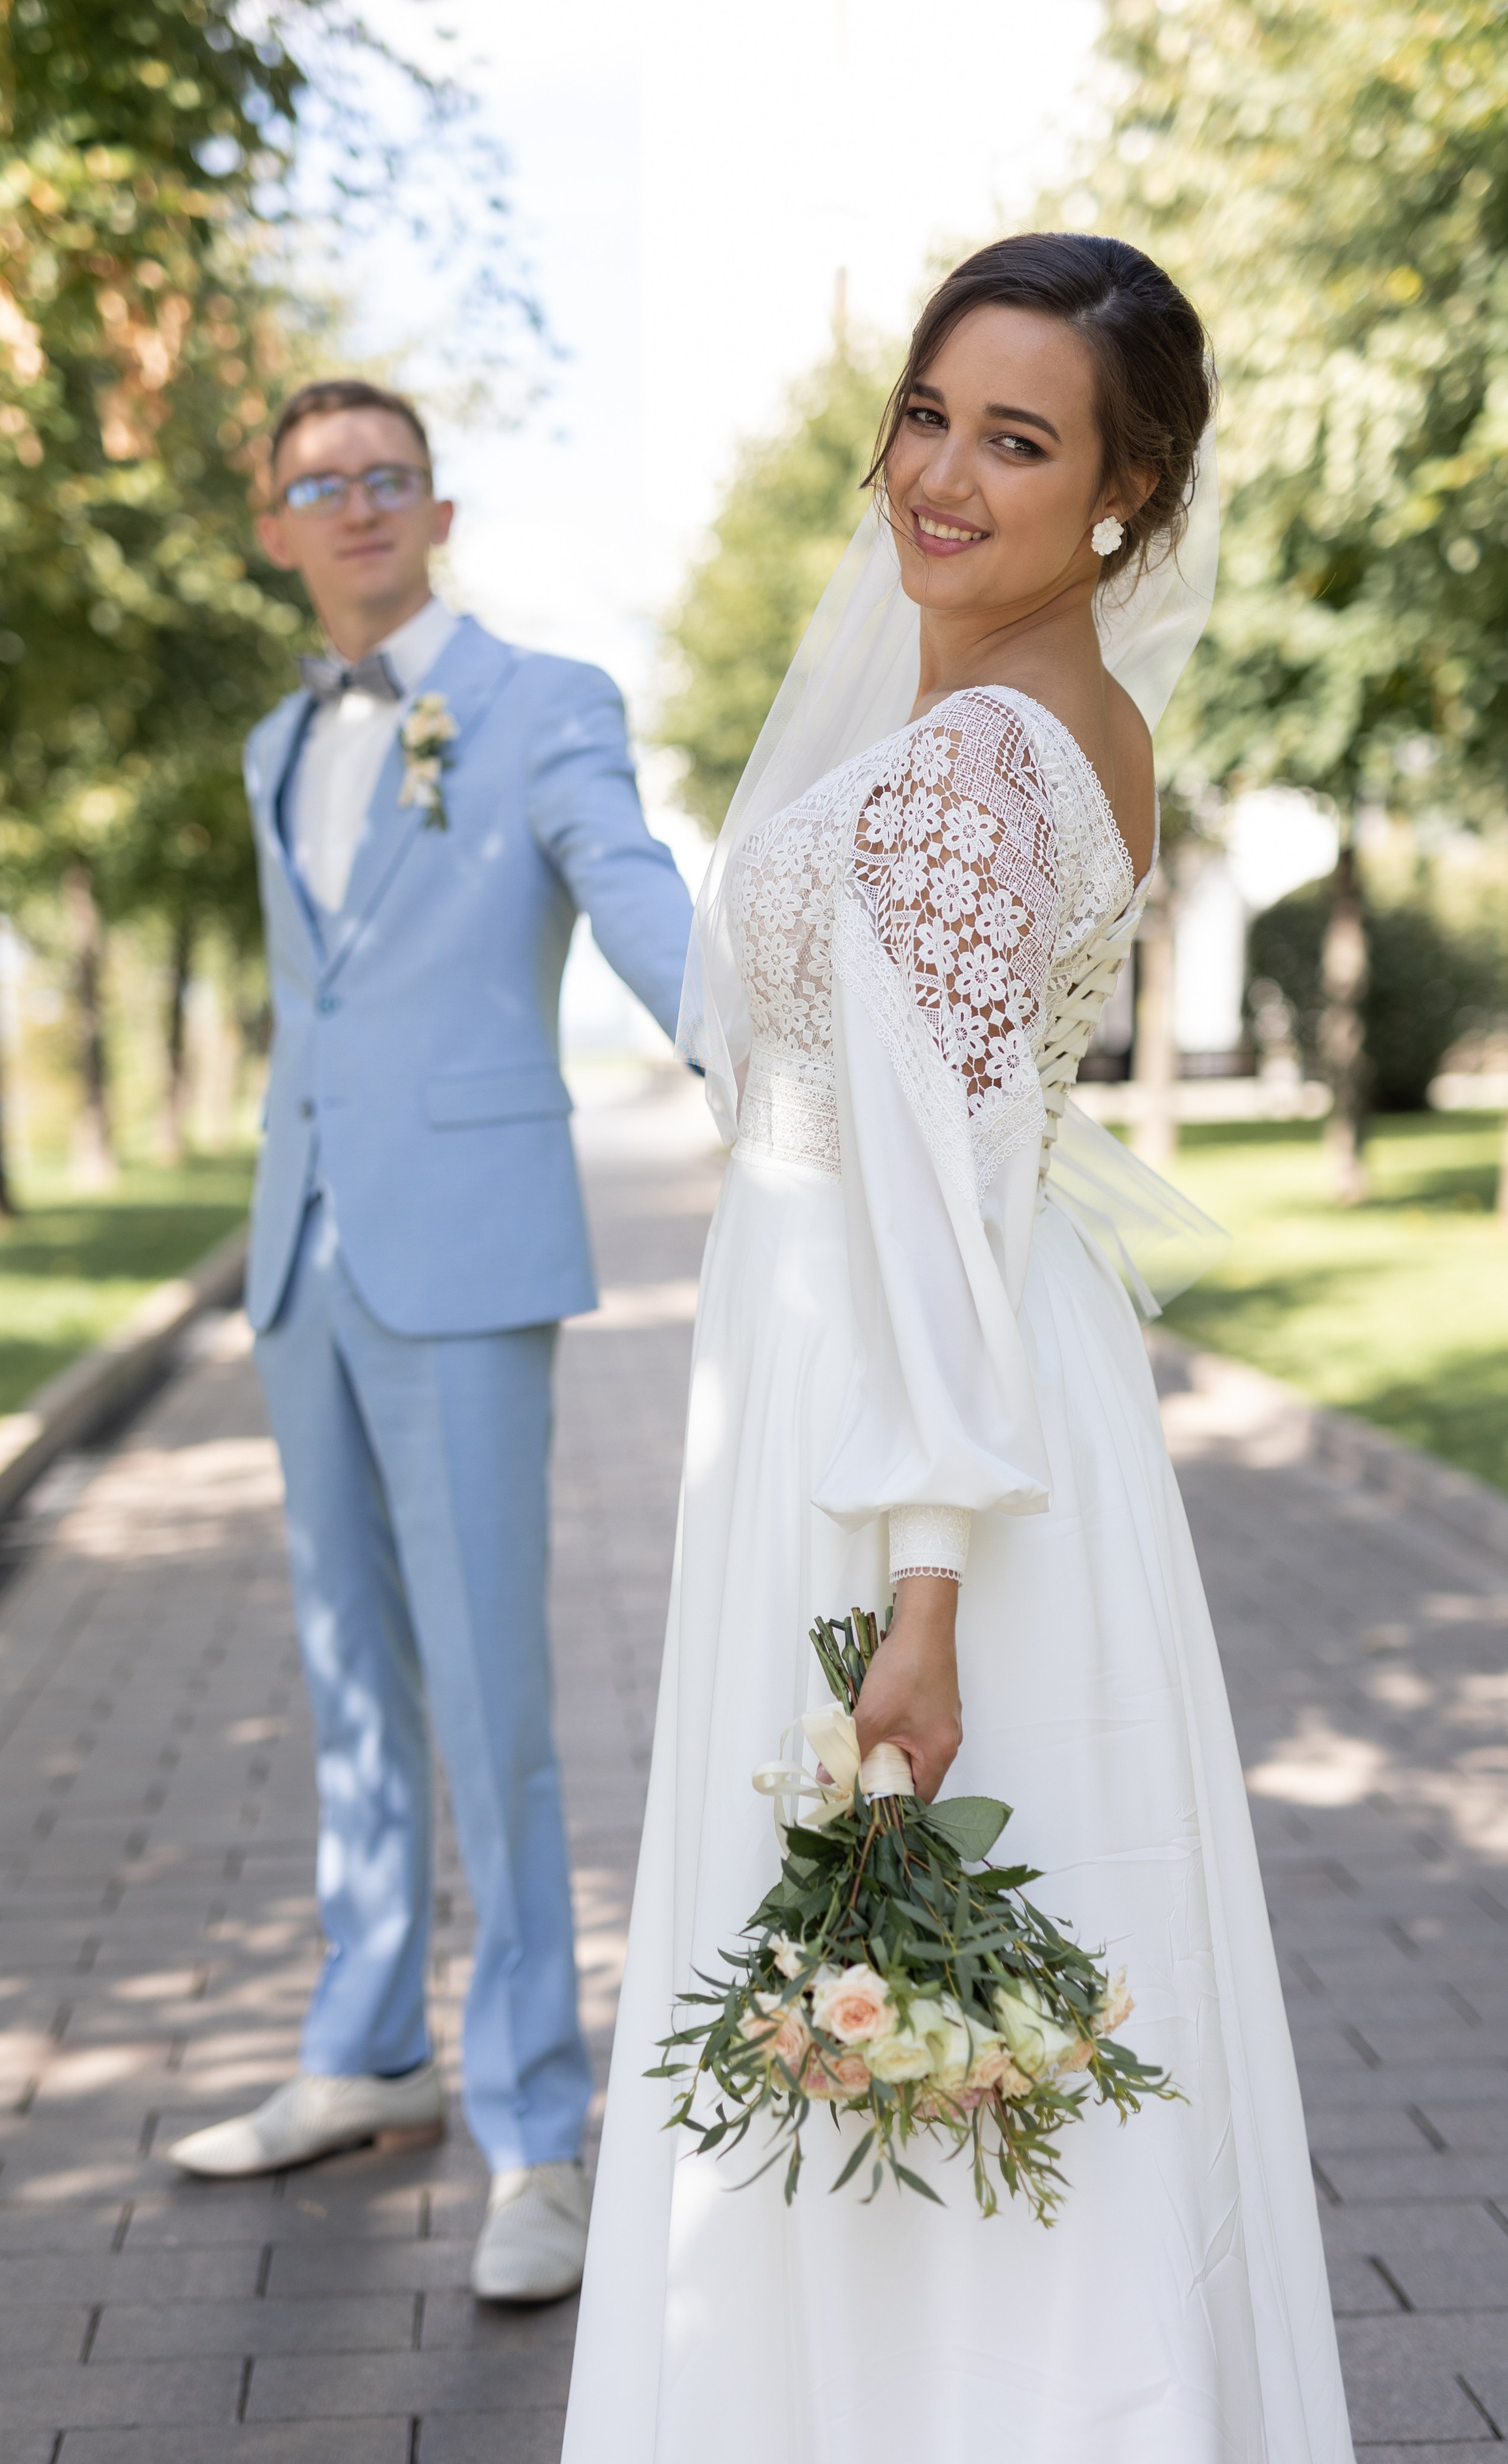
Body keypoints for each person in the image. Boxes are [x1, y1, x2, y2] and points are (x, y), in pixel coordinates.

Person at [562, 236, 1354, 2459]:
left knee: (909, 1975)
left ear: (1128, 491)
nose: (941, 474)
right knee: (1004, 1988)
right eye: (929, 415)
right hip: (974, 1396)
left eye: (1019, 440)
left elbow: (930, 1198)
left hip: (902, 1437)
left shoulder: (955, 772)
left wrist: (914, 1603)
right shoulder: (1080, 725)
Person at [167, 378, 694, 2306]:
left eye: (390, 476)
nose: (360, 504)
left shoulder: (547, 702)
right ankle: (368, 2048)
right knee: (348, 1680)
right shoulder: (268, 741)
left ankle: (541, 2127)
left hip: (468, 1256)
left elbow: (628, 888)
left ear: (442, 506)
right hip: (302, 1254)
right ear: (276, 526)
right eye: (322, 483)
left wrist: (762, 1041)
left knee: (494, 1703)